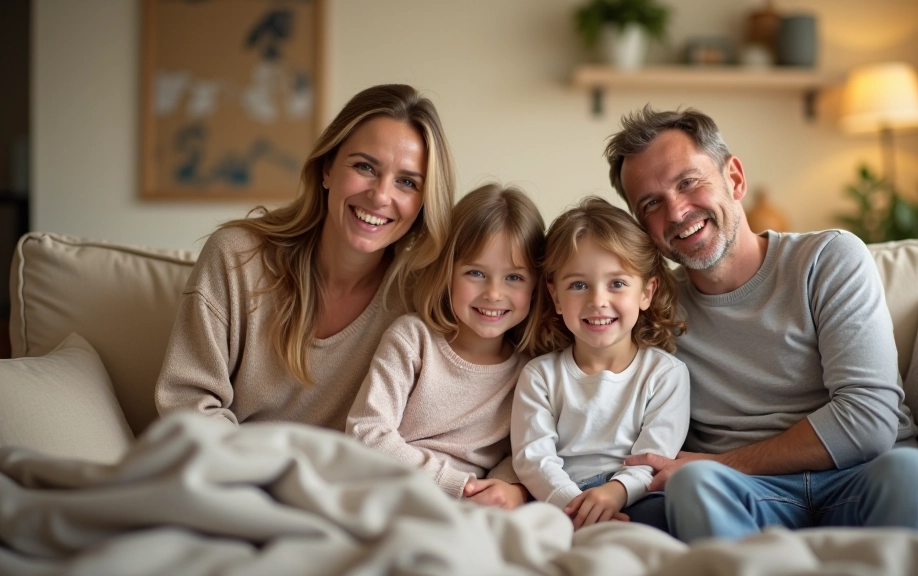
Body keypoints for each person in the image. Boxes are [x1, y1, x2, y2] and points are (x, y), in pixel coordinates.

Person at [604, 106, 918, 543]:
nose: (676, 212)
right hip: (744, 495)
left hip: (863, 476)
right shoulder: (651, 308)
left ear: (734, 178)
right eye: (652, 203)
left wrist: (723, 462)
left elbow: (868, 419)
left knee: (913, 475)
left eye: (688, 182)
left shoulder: (828, 258)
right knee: (692, 485)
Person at [155, 84, 455, 428]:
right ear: (327, 169)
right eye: (365, 167)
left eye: (407, 182)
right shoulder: (236, 257)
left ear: (423, 202)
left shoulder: (423, 299)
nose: (380, 196)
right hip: (227, 460)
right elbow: (188, 407)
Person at [347, 184, 544, 509]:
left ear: (536, 285)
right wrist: (459, 486)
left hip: (474, 508)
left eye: (514, 278)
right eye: (475, 273)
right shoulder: (413, 339)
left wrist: (512, 488)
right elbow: (366, 431)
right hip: (392, 490)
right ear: (447, 272)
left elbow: (525, 452)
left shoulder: (532, 372)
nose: (494, 293)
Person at [511, 196, 689, 532]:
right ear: (556, 296)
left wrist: (615, 492)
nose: (597, 301)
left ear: (646, 292)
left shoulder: (666, 374)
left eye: (617, 284)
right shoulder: (540, 375)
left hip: (634, 496)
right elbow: (533, 458)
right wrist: (573, 506)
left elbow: (654, 456)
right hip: (558, 498)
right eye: (578, 285)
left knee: (671, 514)